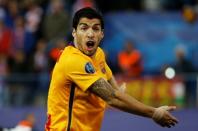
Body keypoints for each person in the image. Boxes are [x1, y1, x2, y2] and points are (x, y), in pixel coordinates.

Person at [45, 7, 178, 131]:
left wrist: (117, 90)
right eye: (84, 28)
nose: (90, 34)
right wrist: (154, 112)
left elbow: (110, 82)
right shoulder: (73, 60)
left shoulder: (98, 54)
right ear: (74, 32)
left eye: (95, 29)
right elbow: (112, 98)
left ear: (102, 34)